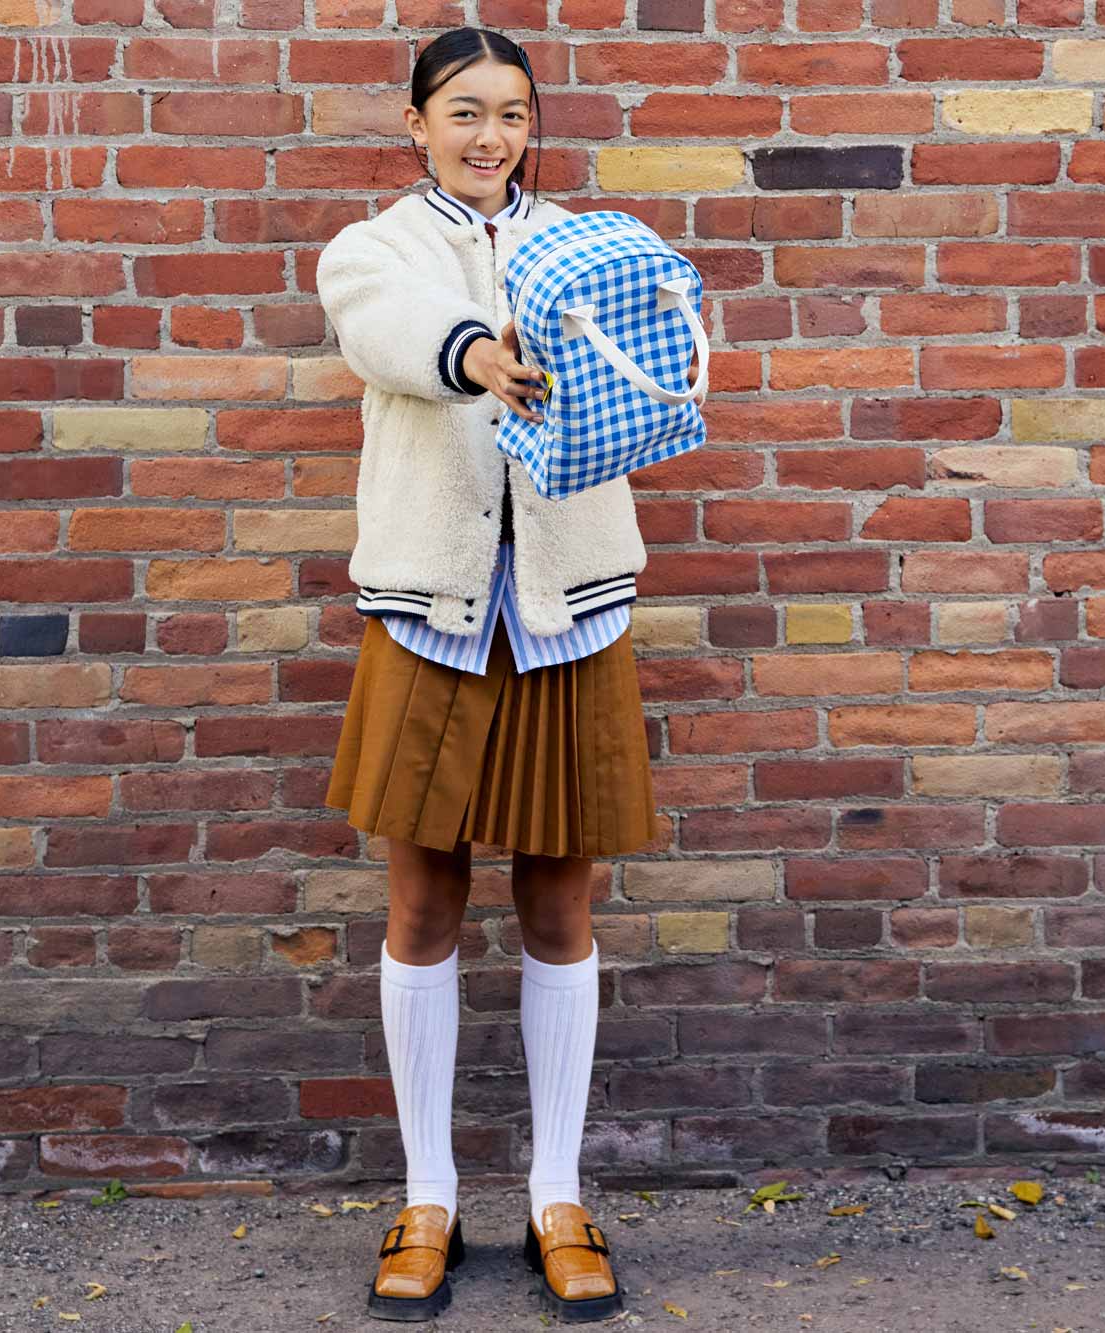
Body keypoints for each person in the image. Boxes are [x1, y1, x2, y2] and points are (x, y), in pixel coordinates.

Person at [315, 25, 659, 1326]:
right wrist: (476, 354)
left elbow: (646, 363)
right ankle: (427, 1195)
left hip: (568, 610)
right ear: (413, 120)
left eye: (511, 113)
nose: (488, 135)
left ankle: (556, 1194)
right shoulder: (375, 246)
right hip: (431, 614)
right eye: (463, 110)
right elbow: (389, 331)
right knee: (422, 900)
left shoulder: (586, 242)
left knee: (560, 905)